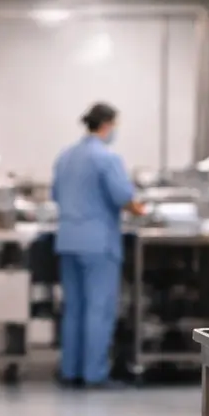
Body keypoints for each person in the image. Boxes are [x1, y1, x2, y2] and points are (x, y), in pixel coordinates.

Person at [52, 102, 143, 389]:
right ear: (106, 125)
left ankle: (71, 371)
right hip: (97, 243)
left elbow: (56, 194)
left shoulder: (65, 156)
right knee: (98, 309)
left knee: (74, 308)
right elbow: (123, 198)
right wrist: (139, 209)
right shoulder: (106, 158)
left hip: (68, 240)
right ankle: (94, 374)